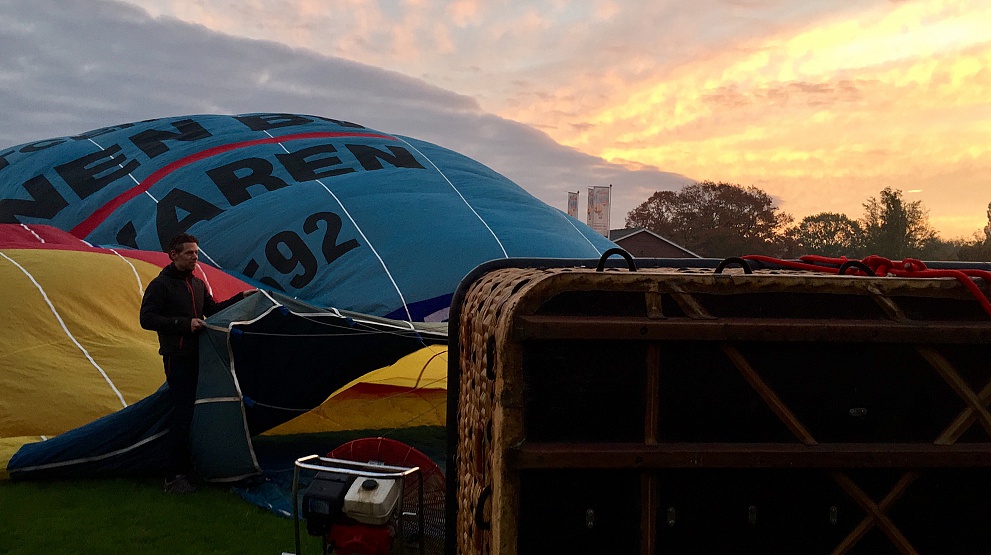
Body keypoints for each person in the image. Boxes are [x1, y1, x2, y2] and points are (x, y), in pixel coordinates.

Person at [140, 233, 254, 494]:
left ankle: (190, 466)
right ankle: (173, 476)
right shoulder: (161, 285)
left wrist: (242, 297)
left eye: (196, 253)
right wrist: (184, 324)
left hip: (199, 357)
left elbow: (213, 311)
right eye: (189, 253)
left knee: (195, 411)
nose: (195, 257)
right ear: (174, 255)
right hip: (177, 357)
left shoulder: (198, 284)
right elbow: (146, 319)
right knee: (181, 414)